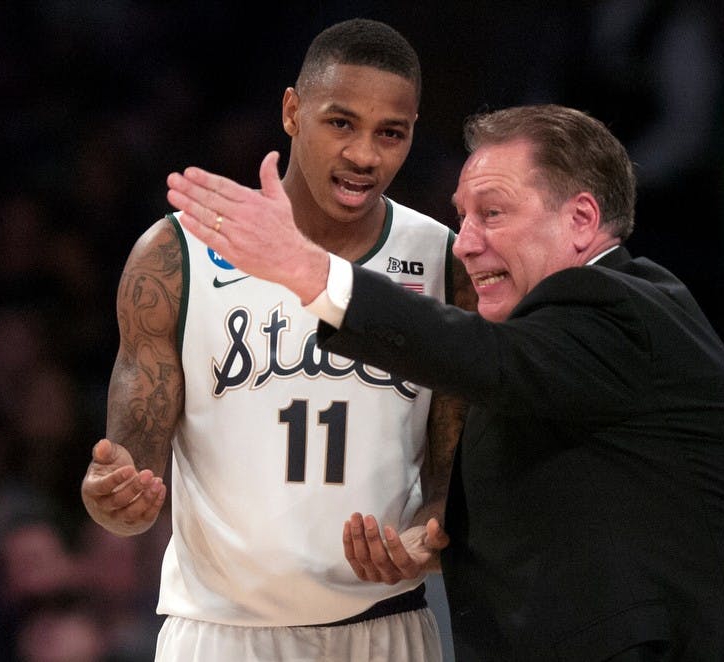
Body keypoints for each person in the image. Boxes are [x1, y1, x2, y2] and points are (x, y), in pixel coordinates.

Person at [166, 103, 724, 660]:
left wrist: (309, 270)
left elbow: (479, 356)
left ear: (583, 221)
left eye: (493, 213)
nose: (463, 243)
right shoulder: (555, 349)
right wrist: (428, 538)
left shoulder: (615, 305)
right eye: (461, 216)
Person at [81, 18, 473, 661]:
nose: (364, 155)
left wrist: (427, 536)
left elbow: (452, 479)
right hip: (220, 634)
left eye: (391, 133)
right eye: (341, 123)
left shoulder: (441, 258)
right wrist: (115, 499)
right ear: (292, 111)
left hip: (388, 626)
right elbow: (132, 469)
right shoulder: (176, 254)